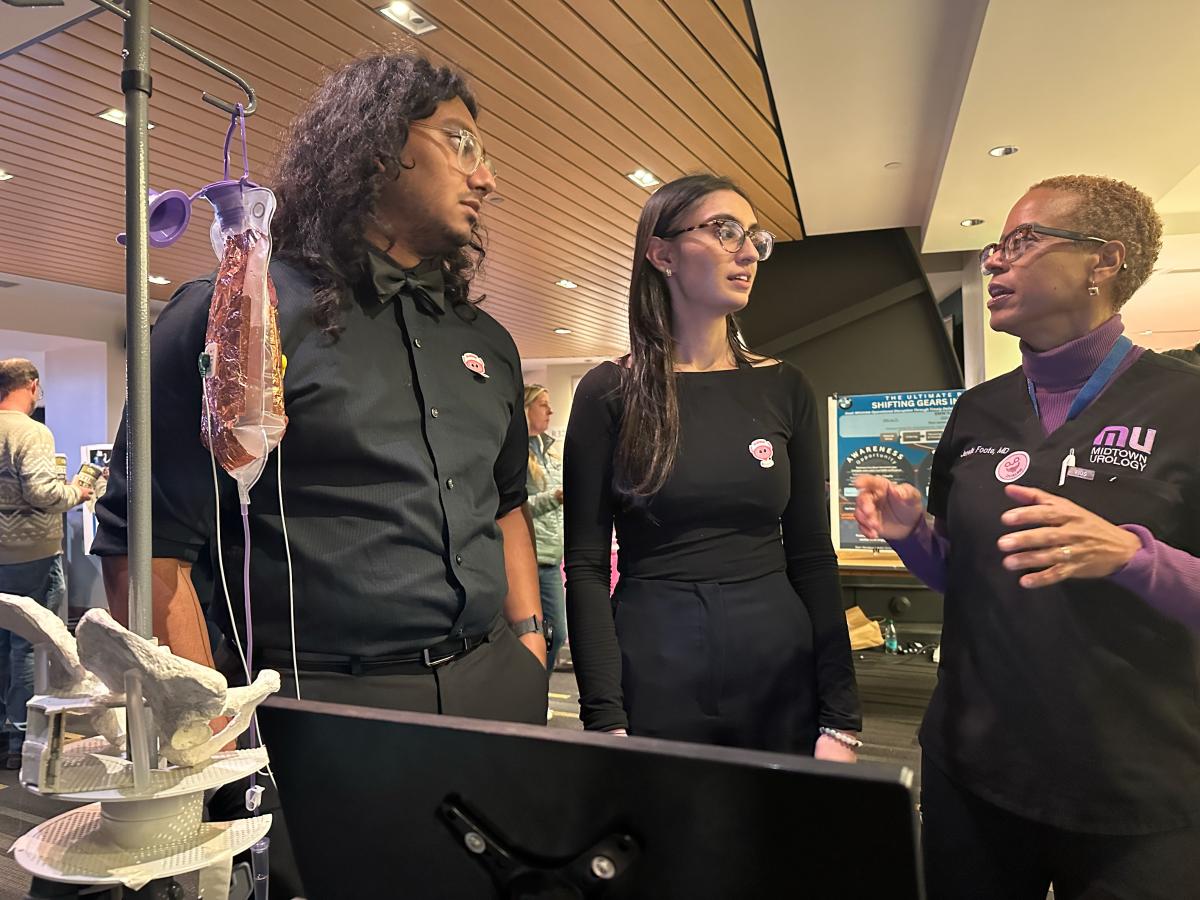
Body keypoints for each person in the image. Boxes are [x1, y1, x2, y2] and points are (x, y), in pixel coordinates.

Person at [93, 52, 548, 894]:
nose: (487, 176)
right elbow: (145, 551)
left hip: (496, 690)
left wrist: (528, 643)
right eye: (460, 143)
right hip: (325, 715)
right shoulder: (241, 311)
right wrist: (212, 742)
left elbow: (507, 504)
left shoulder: (485, 338)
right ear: (379, 148)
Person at [855, 175, 1200, 899]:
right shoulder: (978, 411)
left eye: (1022, 241)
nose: (995, 262)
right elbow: (962, 573)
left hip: (1134, 791)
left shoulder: (1185, 405)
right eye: (995, 247)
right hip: (974, 772)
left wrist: (1134, 557)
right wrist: (913, 534)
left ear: (1103, 262)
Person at [564, 174, 861, 757]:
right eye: (725, 230)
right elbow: (587, 566)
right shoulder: (608, 392)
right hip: (653, 665)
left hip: (778, 666)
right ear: (662, 253)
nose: (748, 251)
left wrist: (840, 715)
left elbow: (811, 555)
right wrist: (604, 718)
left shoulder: (784, 387)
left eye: (754, 236)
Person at [0, 359, 93, 768]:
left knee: (3, 643)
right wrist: (77, 492)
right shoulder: (32, 432)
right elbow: (42, 493)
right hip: (31, 553)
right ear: (32, 386)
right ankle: (25, 737)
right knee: (31, 644)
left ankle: (5, 733)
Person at [525, 384, 566, 670]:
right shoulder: (515, 453)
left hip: (552, 557)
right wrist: (554, 498)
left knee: (557, 634)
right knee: (530, 636)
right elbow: (514, 508)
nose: (550, 410)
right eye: (542, 404)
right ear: (526, 409)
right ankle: (531, 693)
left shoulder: (549, 449)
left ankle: (537, 690)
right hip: (528, 559)